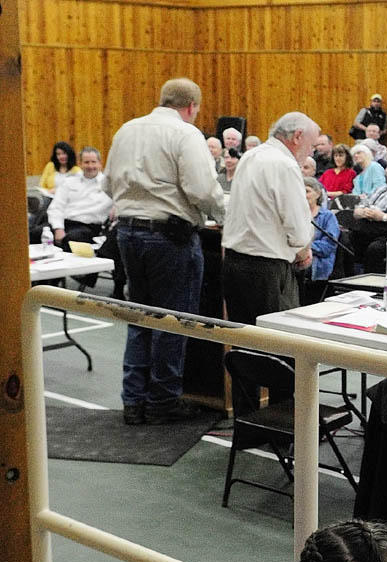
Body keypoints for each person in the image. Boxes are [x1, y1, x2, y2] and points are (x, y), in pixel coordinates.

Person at [104, 77, 226, 426]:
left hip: (128, 232)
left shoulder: (127, 129)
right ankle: (162, 400)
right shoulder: (185, 134)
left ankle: (133, 399)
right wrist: (227, 218)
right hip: (169, 236)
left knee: (140, 316)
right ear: (191, 107)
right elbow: (202, 189)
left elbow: (107, 184)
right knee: (172, 319)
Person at [222, 111, 317, 324]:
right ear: (297, 137)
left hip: (234, 262)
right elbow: (297, 227)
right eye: (312, 145)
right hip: (266, 269)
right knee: (273, 343)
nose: (310, 152)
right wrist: (303, 253)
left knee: (243, 340)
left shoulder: (250, 156)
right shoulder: (285, 164)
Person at [47, 146, 112, 252]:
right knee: (33, 234)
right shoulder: (69, 182)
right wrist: (58, 228)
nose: (90, 166)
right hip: (64, 223)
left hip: (89, 228)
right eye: (86, 162)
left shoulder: (109, 185)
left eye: (93, 162)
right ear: (80, 164)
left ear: (100, 163)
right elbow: (56, 207)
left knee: (71, 239)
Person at [297, 176, 340, 304]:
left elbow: (329, 246)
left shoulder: (328, 216)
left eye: (307, 191)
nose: (303, 195)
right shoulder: (296, 214)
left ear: (318, 193)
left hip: (319, 262)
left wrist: (306, 247)